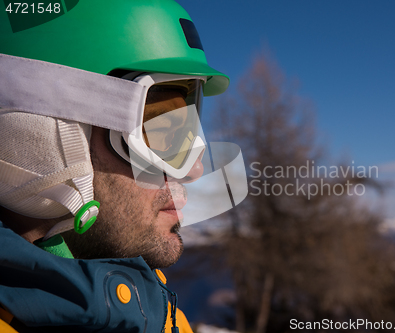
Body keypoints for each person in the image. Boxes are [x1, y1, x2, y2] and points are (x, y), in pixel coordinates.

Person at [0, 1, 234, 332]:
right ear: (41, 135)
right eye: (157, 130)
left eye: (186, 126)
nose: (192, 171)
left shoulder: (160, 316)